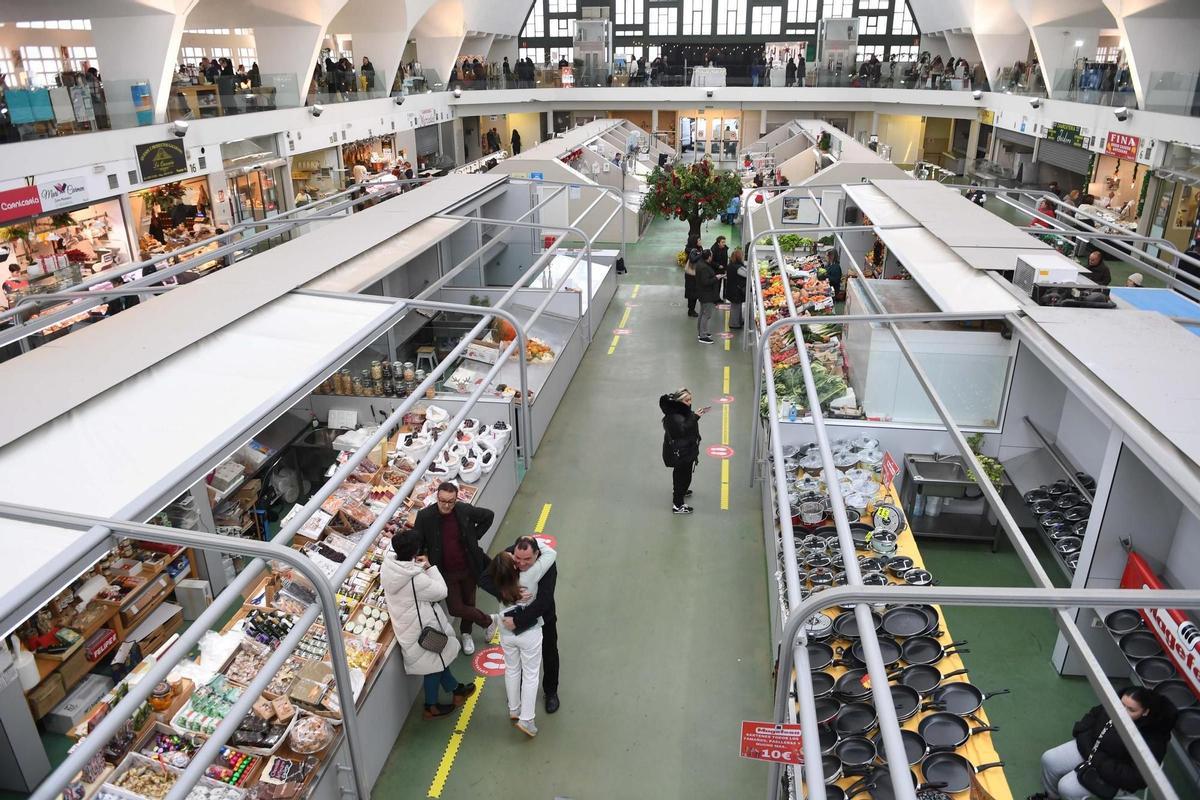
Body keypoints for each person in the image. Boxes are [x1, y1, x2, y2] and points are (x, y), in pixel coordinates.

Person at [381, 531, 477, 720]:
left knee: (437, 659)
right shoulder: (415, 579)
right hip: (421, 629)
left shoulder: (389, 567)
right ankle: (430, 707)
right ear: (414, 551)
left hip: (406, 625)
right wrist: (429, 567)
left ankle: (456, 689)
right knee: (433, 666)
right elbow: (441, 591)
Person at [1031, 686, 1175, 800]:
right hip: (1091, 751)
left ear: (1145, 712)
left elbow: (1135, 778)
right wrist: (1090, 751)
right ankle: (1050, 797)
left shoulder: (1153, 740)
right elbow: (1088, 721)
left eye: (1131, 710)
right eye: (1121, 704)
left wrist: (1097, 760)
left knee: (1067, 788)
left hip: (1110, 771)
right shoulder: (1114, 706)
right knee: (1049, 759)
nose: (1121, 711)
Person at [411, 482, 496, 654]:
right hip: (444, 572)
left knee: (469, 602)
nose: (446, 505)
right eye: (443, 501)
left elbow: (489, 516)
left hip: (468, 566)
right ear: (437, 498)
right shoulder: (425, 516)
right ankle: (488, 621)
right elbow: (417, 541)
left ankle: (466, 634)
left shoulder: (464, 510)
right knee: (455, 607)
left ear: (456, 499)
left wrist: (473, 537)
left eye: (451, 501)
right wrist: (424, 555)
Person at [484, 540, 557, 737]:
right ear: (515, 564)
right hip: (529, 633)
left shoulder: (501, 579)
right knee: (531, 675)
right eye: (516, 558)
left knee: (512, 669)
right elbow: (551, 553)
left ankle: (514, 709)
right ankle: (527, 720)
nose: (521, 562)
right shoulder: (531, 573)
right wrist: (534, 540)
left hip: (506, 632)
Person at [660, 388, 708, 514]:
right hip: (681, 453)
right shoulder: (674, 416)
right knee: (683, 475)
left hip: (684, 451)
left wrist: (694, 417)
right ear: (679, 401)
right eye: (687, 400)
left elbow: (685, 425)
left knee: (682, 474)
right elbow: (682, 430)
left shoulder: (679, 411)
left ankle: (681, 491)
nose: (690, 402)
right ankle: (678, 504)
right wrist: (695, 417)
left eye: (690, 399)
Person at [695, 248, 720, 344]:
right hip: (707, 294)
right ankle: (703, 336)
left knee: (702, 313)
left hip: (703, 294)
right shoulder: (704, 267)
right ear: (708, 257)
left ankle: (701, 332)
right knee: (707, 315)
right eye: (711, 255)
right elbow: (706, 282)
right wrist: (716, 278)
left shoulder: (701, 264)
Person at [725, 247, 747, 329]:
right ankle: (734, 324)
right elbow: (747, 274)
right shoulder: (738, 268)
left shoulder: (731, 265)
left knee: (736, 307)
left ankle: (738, 321)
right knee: (736, 307)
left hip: (732, 290)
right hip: (736, 291)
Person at [683, 246, 701, 318]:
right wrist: (700, 254)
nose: (700, 241)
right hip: (691, 277)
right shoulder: (693, 250)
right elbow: (693, 259)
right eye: (699, 240)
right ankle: (691, 310)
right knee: (692, 294)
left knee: (694, 294)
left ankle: (691, 309)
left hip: (694, 276)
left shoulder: (699, 249)